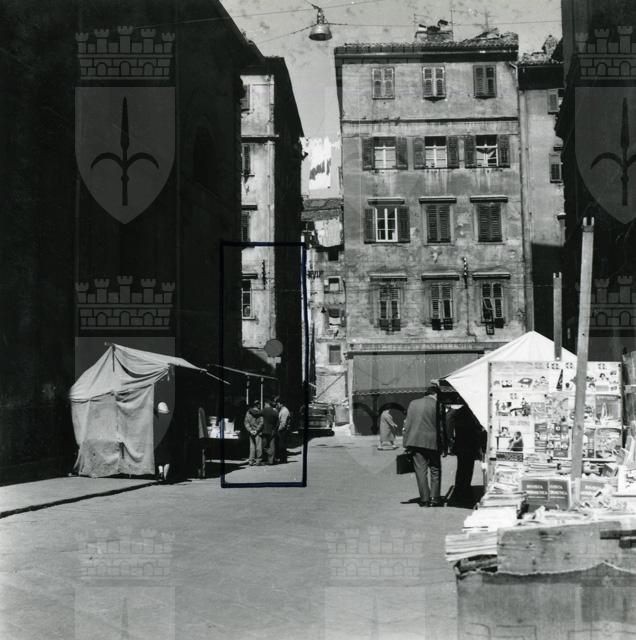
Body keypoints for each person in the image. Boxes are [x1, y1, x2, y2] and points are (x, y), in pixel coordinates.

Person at [402, 387, 443, 507]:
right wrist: (445, 445)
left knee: (420, 470)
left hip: (415, 441)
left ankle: (424, 499)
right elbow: (441, 426)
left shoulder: (413, 403)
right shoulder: (438, 405)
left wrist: (406, 442)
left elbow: (407, 424)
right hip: (433, 441)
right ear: (436, 394)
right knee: (435, 469)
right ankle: (435, 498)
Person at [447, 404, 486, 506]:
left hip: (462, 445)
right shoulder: (470, 412)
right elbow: (476, 428)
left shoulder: (459, 412)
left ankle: (460, 491)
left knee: (462, 469)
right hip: (468, 445)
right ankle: (463, 493)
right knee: (467, 470)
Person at [244, 400, 264, 466]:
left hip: (251, 432)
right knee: (259, 446)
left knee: (252, 447)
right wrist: (257, 430)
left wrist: (250, 430)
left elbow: (246, 422)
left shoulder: (248, 412)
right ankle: (258, 461)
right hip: (258, 432)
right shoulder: (260, 412)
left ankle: (251, 461)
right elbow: (261, 422)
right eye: (259, 404)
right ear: (258, 405)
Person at [261, 399, 279, 465]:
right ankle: (271, 461)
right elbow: (278, 423)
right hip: (273, 431)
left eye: (264, 404)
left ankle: (269, 453)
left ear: (267, 404)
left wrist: (250, 409)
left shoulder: (265, 410)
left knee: (264, 446)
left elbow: (257, 414)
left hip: (265, 431)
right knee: (272, 445)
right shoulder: (275, 412)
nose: (264, 405)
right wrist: (275, 429)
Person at [275, 396, 291, 463]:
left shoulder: (284, 411)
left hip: (283, 431)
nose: (277, 405)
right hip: (283, 430)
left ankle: (283, 459)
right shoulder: (283, 410)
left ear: (281, 404)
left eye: (278, 404)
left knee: (282, 445)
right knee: (282, 444)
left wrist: (278, 430)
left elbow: (283, 423)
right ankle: (283, 458)